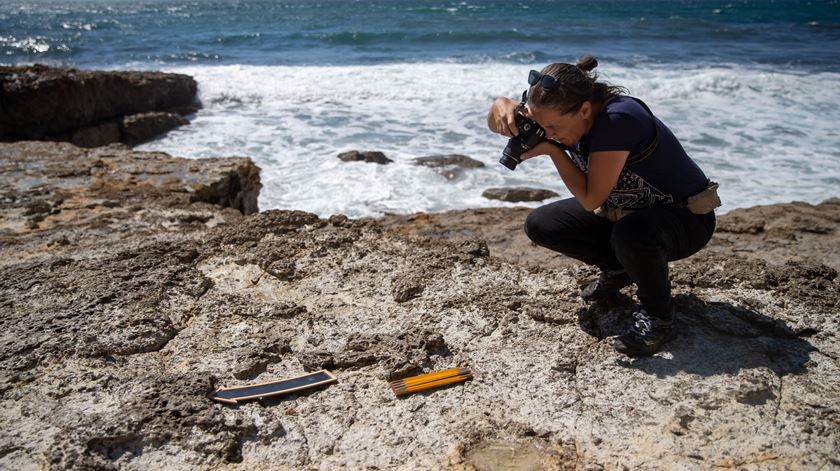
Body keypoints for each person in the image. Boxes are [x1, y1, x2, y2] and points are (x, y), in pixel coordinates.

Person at [486, 56, 719, 357]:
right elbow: (496, 124)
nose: (550, 133)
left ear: (584, 110)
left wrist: (552, 152)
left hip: (685, 220)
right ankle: (619, 267)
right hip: (623, 213)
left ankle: (658, 316)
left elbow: (590, 199)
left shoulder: (618, 119)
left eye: (554, 128)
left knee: (632, 234)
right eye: (544, 128)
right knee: (541, 224)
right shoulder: (557, 113)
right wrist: (500, 106)